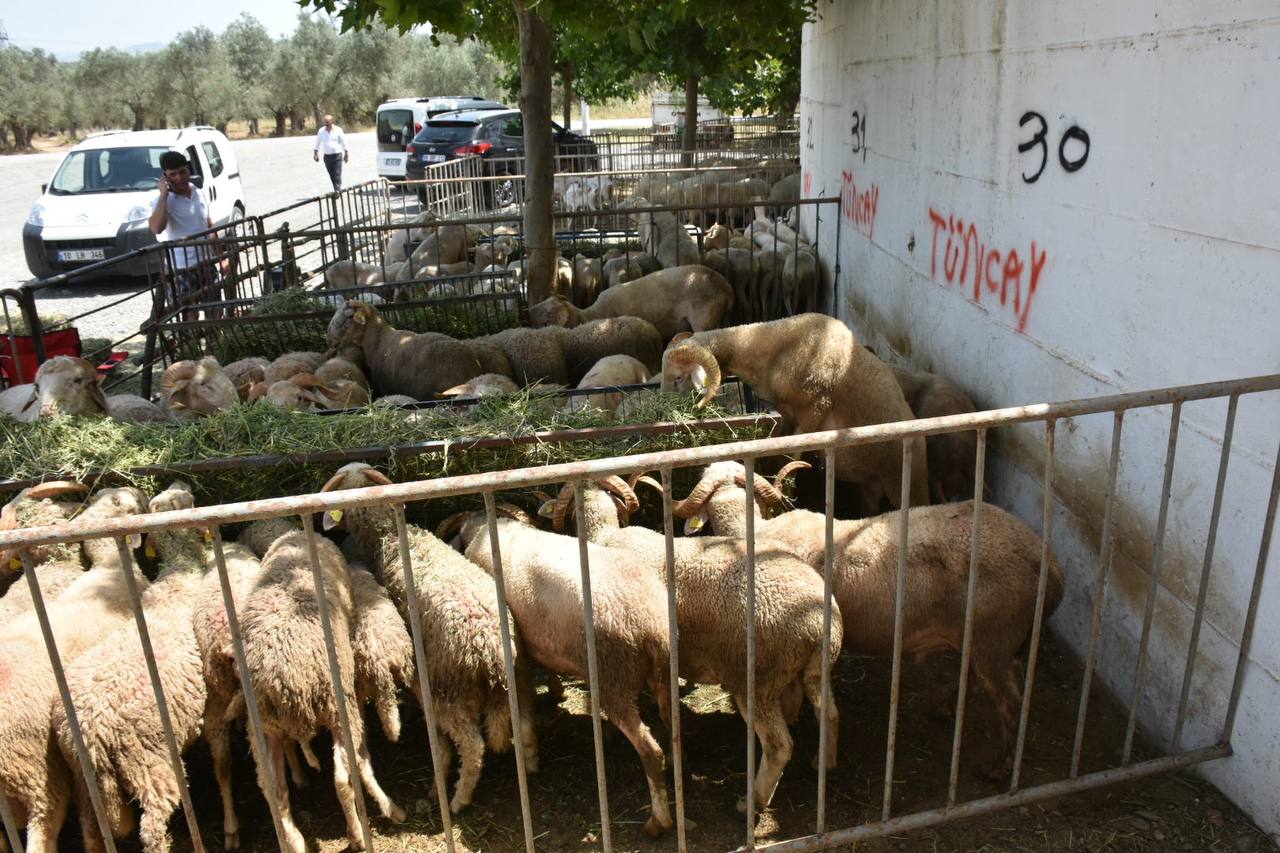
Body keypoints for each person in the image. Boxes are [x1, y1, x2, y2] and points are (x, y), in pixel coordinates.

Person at [149, 150, 227, 320]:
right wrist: (163, 195)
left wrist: (221, 258)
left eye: (182, 172)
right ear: (165, 177)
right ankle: (192, 345)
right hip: (181, 267)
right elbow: (156, 228)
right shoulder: (163, 201)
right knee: (189, 316)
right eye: (173, 174)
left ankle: (214, 344)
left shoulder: (198, 192)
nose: (178, 178)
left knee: (215, 310)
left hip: (206, 263)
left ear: (188, 170)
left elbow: (209, 226)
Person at [313, 114, 349, 192]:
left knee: (337, 173)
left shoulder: (338, 130)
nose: (326, 124)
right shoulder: (321, 131)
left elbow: (344, 141)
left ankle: (337, 190)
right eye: (325, 122)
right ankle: (336, 188)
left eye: (327, 122)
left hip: (337, 155)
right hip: (327, 156)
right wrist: (315, 153)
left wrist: (346, 153)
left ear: (332, 121)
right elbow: (317, 142)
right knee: (331, 174)